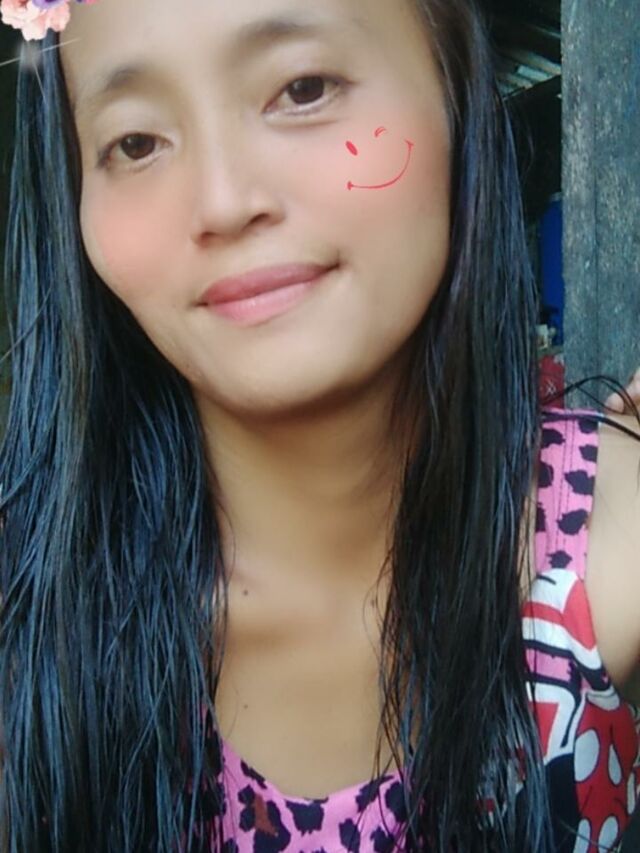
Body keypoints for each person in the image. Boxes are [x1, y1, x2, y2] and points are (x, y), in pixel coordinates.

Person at [0, 0, 639, 851]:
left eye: (303, 89)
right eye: (137, 142)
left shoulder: (609, 542)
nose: (224, 201)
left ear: (456, 83)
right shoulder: (32, 628)